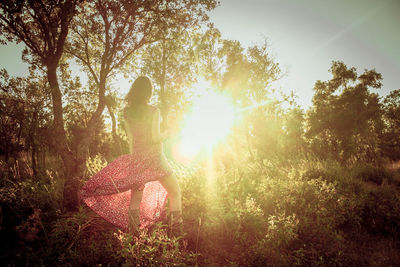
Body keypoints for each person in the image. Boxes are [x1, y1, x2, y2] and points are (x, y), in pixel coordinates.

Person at [80, 76, 182, 236]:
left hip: (137, 157)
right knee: (175, 192)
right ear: (148, 92)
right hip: (155, 157)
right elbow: (155, 138)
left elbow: (131, 140)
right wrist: (169, 132)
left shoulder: (127, 113)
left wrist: (134, 161)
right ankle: (177, 233)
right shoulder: (154, 110)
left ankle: (134, 235)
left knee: (136, 198)